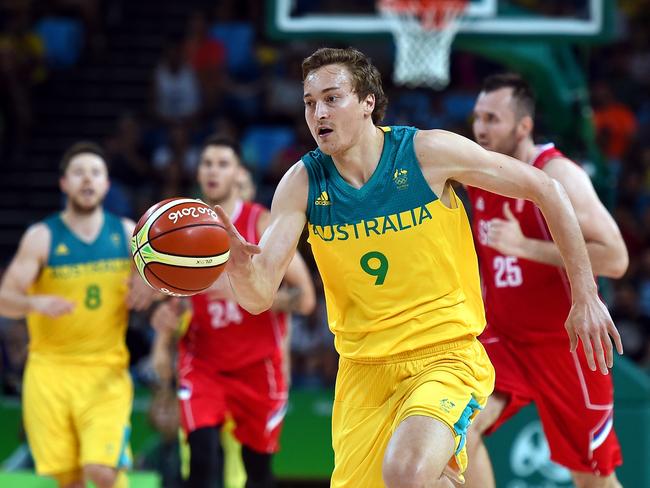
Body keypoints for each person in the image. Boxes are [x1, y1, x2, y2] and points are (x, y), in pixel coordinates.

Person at [214, 47, 623, 488]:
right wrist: (239, 268)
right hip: (363, 371)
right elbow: (258, 299)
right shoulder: (301, 183)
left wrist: (585, 294)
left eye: (332, 98)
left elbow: (545, 187)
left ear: (368, 102)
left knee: (406, 472)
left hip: (444, 355)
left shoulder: (427, 152)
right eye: (310, 103)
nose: (318, 113)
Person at [461, 73, 628, 488]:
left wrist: (527, 247)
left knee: (592, 478)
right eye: (477, 116)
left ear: (523, 126)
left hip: (565, 346)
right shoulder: (476, 173)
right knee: (457, 432)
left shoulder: (559, 175)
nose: (480, 127)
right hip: (505, 340)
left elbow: (616, 257)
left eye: (493, 118)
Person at [150, 134, 316, 488]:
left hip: (258, 367)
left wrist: (243, 288)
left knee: (257, 471)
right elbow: (173, 300)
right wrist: (163, 331)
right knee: (203, 460)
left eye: (222, 163)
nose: (213, 171)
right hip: (203, 363)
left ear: (239, 173)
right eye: (207, 163)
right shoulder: (180, 227)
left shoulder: (260, 221)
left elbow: (304, 298)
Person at [0, 142, 156, 488]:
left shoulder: (128, 233)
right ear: (64, 184)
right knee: (68, 479)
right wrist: (33, 304)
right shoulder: (41, 237)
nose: (88, 179)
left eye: (96, 173)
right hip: (49, 373)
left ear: (106, 184)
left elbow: (163, 284)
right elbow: (4, 299)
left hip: (105, 371)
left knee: (102, 471)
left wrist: (151, 289)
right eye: (79, 172)